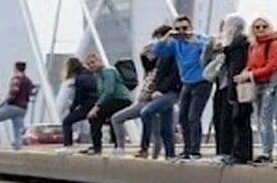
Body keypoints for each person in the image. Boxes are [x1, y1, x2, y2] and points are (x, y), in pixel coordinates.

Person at [153, 16, 210, 161]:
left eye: (184, 28)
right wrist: (167, 36)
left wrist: (195, 42)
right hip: (186, 83)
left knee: (193, 116)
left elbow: (209, 50)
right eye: (178, 29)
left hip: (202, 82)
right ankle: (187, 149)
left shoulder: (199, 39)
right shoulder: (175, 44)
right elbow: (158, 51)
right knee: (183, 117)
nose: (181, 32)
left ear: (190, 27)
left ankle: (195, 151)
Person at [120, 25, 180, 160]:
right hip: (161, 92)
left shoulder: (174, 53)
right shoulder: (163, 54)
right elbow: (152, 70)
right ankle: (170, 154)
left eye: (159, 38)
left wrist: (160, 90)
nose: (157, 43)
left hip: (171, 92)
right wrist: (143, 56)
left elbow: (174, 75)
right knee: (165, 127)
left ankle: (144, 148)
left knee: (146, 112)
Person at [208, 13, 251, 164]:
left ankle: (230, 152)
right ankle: (222, 151)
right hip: (221, 86)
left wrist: (233, 93)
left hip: (231, 87)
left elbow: (236, 69)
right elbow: (205, 63)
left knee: (229, 120)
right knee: (219, 119)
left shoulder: (239, 46)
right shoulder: (225, 46)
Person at [241, 18, 277, 163]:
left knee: (266, 117)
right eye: (257, 27)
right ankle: (264, 150)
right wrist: (244, 73)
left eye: (264, 26)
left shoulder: (274, 44)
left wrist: (251, 74)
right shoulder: (253, 45)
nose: (260, 29)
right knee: (259, 118)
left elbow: (272, 66)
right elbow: (250, 64)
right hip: (257, 83)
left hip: (271, 82)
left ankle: (267, 153)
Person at [84, 53, 134, 153]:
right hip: (114, 100)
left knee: (95, 117)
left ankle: (97, 147)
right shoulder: (98, 75)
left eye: (93, 62)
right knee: (112, 119)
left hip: (120, 99)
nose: (91, 66)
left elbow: (109, 91)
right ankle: (116, 145)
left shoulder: (108, 71)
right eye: (88, 64)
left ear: (100, 61)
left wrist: (96, 107)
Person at [0, 62, 36, 150]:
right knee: (17, 127)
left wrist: (2, 105)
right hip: (23, 107)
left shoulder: (16, 78)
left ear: (15, 68)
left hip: (13, 106)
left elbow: (12, 94)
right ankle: (18, 147)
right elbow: (31, 92)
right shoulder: (28, 80)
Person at [59, 56, 98, 151]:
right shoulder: (90, 74)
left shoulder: (80, 79)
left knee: (67, 122)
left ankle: (67, 146)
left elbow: (79, 97)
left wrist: (72, 108)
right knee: (95, 124)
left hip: (88, 105)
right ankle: (96, 146)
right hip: (96, 104)